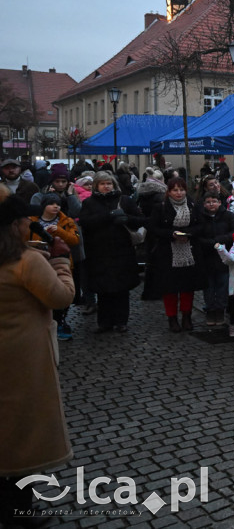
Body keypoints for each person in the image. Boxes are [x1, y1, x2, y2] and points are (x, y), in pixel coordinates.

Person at [0, 192, 76, 524]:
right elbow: (60, 297)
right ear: (13, 226)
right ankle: (19, 510)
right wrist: (60, 263)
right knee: (21, 432)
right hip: (22, 358)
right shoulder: (25, 262)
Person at [79, 171, 147, 332]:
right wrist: (108, 216)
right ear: (97, 186)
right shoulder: (89, 202)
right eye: (102, 184)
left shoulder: (125, 200)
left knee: (122, 290)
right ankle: (105, 322)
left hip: (122, 251)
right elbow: (85, 222)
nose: (106, 186)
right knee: (103, 290)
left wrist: (127, 219)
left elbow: (140, 220)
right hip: (99, 253)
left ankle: (121, 320)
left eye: (108, 183)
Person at [149, 177, 206, 332]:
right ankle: (172, 318)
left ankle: (186, 317)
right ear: (169, 191)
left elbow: (201, 225)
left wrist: (189, 233)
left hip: (190, 251)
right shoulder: (160, 206)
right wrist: (171, 234)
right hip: (168, 253)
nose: (179, 193)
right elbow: (153, 228)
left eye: (181, 189)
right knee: (170, 288)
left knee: (188, 287)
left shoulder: (193, 205)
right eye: (175, 190)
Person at [29, 193, 80, 341]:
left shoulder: (66, 221)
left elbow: (74, 240)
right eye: (51, 204)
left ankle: (60, 323)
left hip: (60, 263)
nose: (55, 206)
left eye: (58, 204)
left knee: (60, 293)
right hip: (39, 262)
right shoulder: (32, 221)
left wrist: (59, 231)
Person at [196, 190, 234, 326]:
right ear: (204, 204)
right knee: (208, 287)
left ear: (220, 202)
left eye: (214, 201)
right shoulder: (200, 217)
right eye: (208, 202)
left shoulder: (228, 216)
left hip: (224, 257)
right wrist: (210, 243)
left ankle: (220, 310)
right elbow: (197, 235)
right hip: (207, 257)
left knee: (222, 286)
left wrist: (219, 240)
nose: (211, 204)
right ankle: (210, 309)